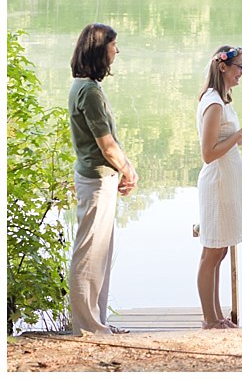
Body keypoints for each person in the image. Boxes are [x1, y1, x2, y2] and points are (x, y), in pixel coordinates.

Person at [66, 23, 139, 335]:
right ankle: (87, 326)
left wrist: (120, 170)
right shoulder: (89, 92)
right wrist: (128, 169)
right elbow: (106, 144)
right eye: (113, 45)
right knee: (90, 253)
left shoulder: (84, 87)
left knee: (100, 255)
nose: (117, 51)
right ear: (99, 49)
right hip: (96, 182)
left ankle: (98, 323)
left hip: (100, 180)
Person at [196, 45, 242, 330]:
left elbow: (224, 141)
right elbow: (209, 153)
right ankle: (209, 318)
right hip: (217, 182)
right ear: (223, 67)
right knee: (211, 251)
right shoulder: (213, 103)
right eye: (240, 67)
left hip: (227, 181)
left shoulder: (222, 100)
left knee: (221, 250)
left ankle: (217, 315)